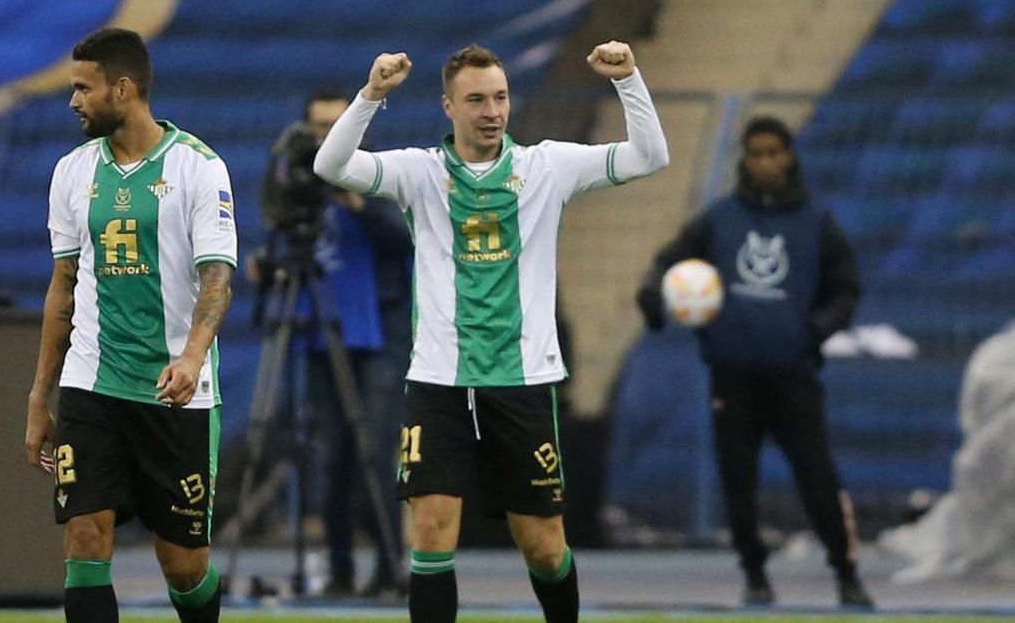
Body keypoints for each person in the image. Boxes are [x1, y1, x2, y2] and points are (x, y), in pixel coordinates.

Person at [314, 41, 669, 622]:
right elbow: (330, 167)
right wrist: (371, 97)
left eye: (500, 97)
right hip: (438, 381)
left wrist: (629, 80)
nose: (491, 110)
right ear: (448, 106)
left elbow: (650, 156)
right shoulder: (420, 173)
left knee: (543, 542)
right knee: (429, 529)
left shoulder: (547, 166)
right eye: (476, 99)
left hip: (522, 381)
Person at [23, 27, 236, 623]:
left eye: (82, 88)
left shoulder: (199, 168)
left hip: (174, 393)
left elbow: (218, 278)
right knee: (85, 540)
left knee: (184, 565)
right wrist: (41, 394)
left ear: (123, 89)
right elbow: (63, 288)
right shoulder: (72, 172)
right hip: (93, 383)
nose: (73, 101)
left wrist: (192, 357)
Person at [635, 116, 872, 608]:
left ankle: (846, 572)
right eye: (756, 153)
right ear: (744, 159)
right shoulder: (720, 219)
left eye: (774, 152)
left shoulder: (815, 222)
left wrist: (815, 330)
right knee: (737, 481)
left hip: (793, 376)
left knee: (818, 478)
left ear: (789, 157)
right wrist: (653, 299)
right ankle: (755, 575)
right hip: (733, 376)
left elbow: (845, 287)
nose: (765, 161)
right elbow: (668, 263)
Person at [255, 92, 413, 597]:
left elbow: (407, 239)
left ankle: (391, 566)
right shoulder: (300, 183)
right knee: (330, 455)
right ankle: (340, 568)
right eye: (318, 127)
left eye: (335, 125)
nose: (326, 135)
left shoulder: (381, 174)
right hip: (321, 330)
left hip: (380, 331)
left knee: (374, 447)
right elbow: (292, 239)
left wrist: (355, 201)